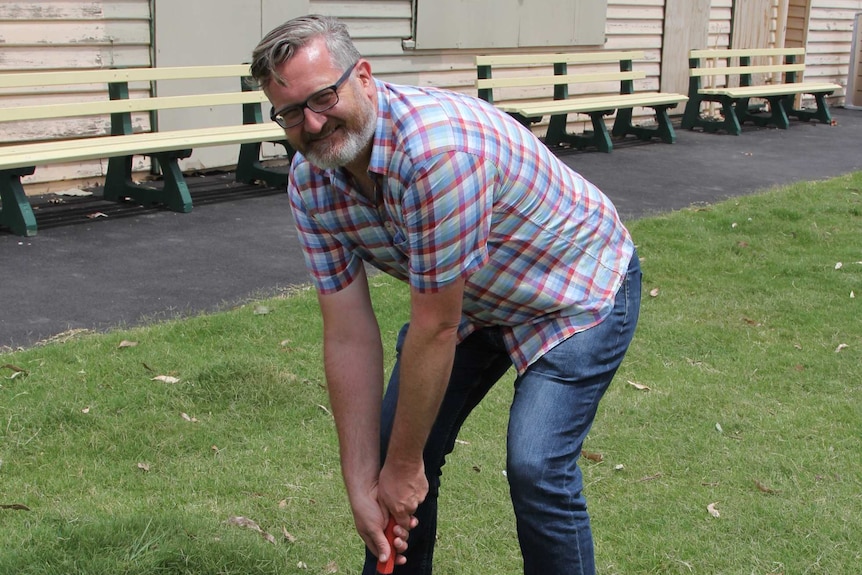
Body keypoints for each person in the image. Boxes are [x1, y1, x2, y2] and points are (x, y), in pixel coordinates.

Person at [250, 14, 641, 575]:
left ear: (362, 76)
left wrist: (404, 468)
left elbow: (434, 327)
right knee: (389, 457)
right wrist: (363, 482)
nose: (311, 124)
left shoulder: (437, 155)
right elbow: (348, 333)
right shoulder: (311, 182)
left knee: (535, 465)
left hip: (572, 289)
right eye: (290, 112)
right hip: (471, 301)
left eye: (324, 96)